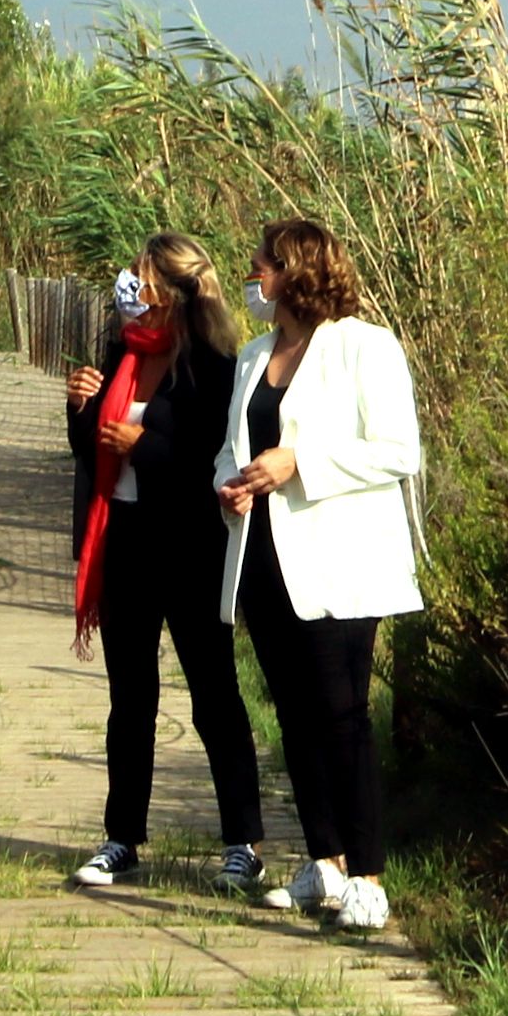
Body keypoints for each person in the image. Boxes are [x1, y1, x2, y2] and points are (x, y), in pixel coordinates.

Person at [215, 214, 421, 938]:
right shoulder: (253, 355)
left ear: (297, 271)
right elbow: (234, 446)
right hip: (265, 559)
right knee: (295, 718)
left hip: (340, 562)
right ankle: (324, 861)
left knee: (342, 718)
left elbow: (399, 451)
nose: (253, 277)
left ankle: (368, 875)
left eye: (261, 266)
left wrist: (300, 461)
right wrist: (230, 483)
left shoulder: (366, 347)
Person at [62, 232, 267, 896]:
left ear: (174, 295)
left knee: (214, 696)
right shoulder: (121, 351)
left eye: (143, 281)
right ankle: (122, 836)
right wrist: (82, 409)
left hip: (187, 545)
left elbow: (209, 462)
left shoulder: (211, 365)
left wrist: (143, 444)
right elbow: (90, 453)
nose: (131, 292)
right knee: (131, 698)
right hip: (122, 541)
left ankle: (243, 841)